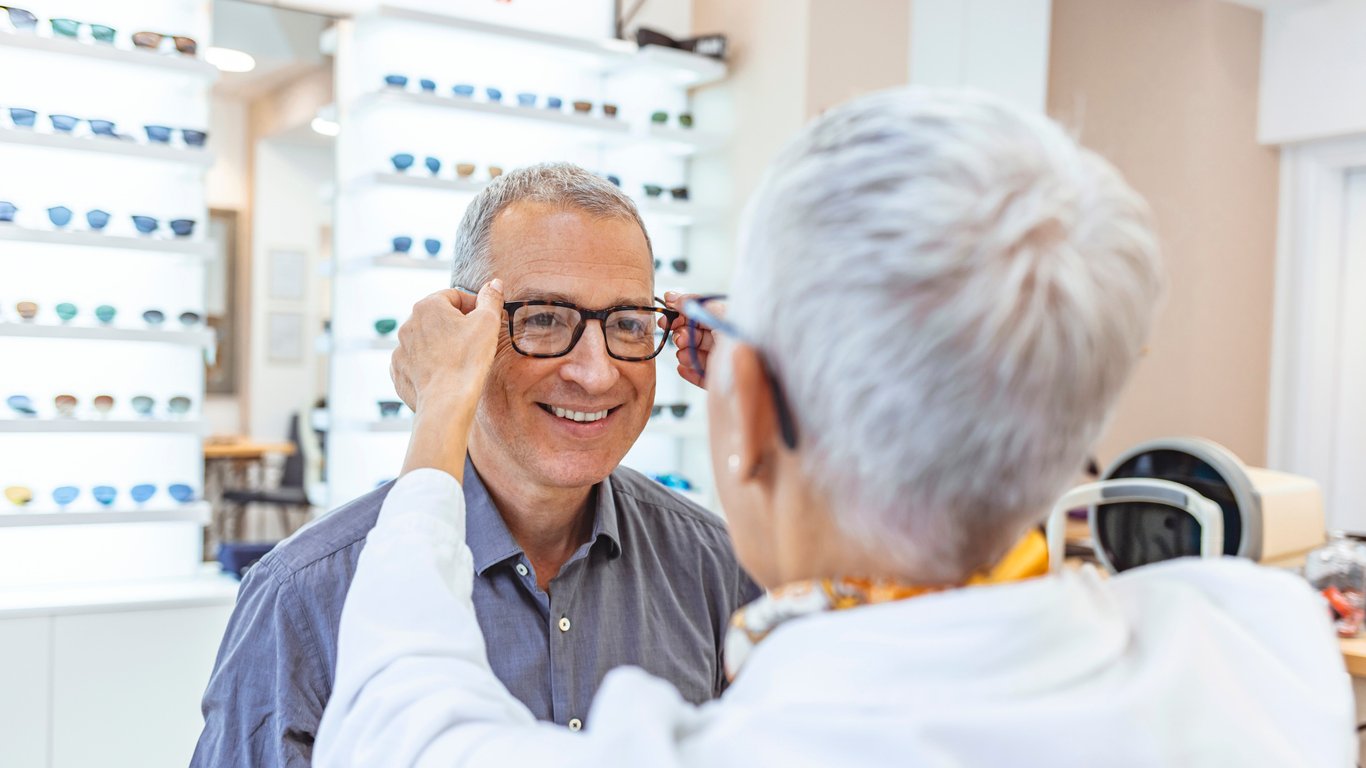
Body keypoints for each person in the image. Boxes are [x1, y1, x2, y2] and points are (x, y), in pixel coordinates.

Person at [312, 87, 1355, 767]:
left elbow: (402, 709)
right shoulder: (1266, 651)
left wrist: (438, 418)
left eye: (688, 332)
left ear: (754, 407)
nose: (601, 366)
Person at [191, 164, 761, 768]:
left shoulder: (716, 567)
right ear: (463, 333)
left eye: (626, 325)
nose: (595, 373)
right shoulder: (303, 595)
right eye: (544, 318)